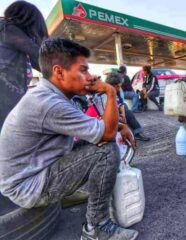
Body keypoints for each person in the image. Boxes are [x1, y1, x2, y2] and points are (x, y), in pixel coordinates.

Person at [0, 38, 138, 240]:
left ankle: (68, 194)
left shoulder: (51, 96)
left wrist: (120, 125)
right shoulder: (48, 103)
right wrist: (109, 91)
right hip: (27, 186)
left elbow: (92, 127)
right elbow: (106, 135)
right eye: (83, 70)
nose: (90, 77)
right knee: (105, 151)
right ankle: (96, 228)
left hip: (34, 172)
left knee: (96, 142)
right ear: (58, 71)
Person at [0, 1, 48, 130]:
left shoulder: (11, 37)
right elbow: (41, 58)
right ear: (27, 21)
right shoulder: (6, 28)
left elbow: (39, 64)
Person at [94, 73, 150, 142]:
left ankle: (136, 132)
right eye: (118, 86)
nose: (119, 88)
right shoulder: (102, 95)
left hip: (115, 109)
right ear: (113, 86)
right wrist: (119, 116)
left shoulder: (115, 91)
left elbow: (120, 102)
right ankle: (134, 133)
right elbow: (104, 112)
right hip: (104, 116)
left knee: (125, 109)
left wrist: (123, 115)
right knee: (126, 112)